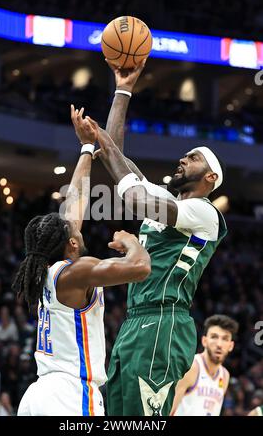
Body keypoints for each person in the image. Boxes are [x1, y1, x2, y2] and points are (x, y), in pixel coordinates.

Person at [78, 60, 228, 416]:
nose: (182, 159)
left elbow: (131, 194)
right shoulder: (167, 201)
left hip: (165, 322)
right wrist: (123, 90)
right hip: (136, 321)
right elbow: (117, 156)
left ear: (209, 178)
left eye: (192, 159)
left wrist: (98, 141)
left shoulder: (205, 212)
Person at [14, 106, 151, 416]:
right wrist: (132, 242)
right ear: (71, 243)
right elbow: (141, 268)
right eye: (72, 228)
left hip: (38, 395)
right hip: (70, 395)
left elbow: (74, 200)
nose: (75, 221)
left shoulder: (47, 273)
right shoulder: (78, 271)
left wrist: (86, 148)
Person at [171, 315, 238, 416]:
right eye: (214, 337)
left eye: (225, 339)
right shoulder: (192, 367)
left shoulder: (225, 375)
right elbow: (168, 411)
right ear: (204, 341)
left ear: (231, 345)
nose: (219, 344)